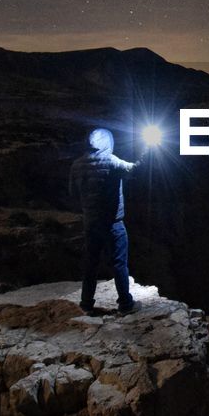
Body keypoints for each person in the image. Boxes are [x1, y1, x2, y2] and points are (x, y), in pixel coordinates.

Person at [68, 127, 143, 314]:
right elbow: (134, 170)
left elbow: (72, 193)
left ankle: (86, 303)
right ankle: (125, 303)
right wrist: (147, 151)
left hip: (91, 222)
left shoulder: (77, 165)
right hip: (113, 223)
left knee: (91, 263)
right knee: (119, 263)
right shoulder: (111, 161)